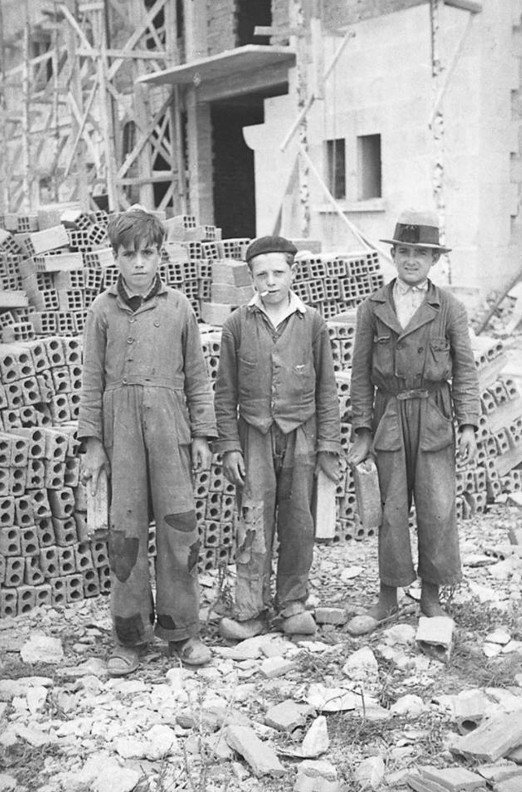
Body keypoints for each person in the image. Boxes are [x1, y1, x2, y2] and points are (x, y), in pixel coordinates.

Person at [78, 207, 217, 675]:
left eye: (148, 253)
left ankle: (182, 631)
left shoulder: (179, 308)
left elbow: (197, 377)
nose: (140, 263)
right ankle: (130, 636)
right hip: (122, 439)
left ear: (161, 256)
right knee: (126, 536)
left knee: (180, 530)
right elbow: (91, 381)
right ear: (114, 257)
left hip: (171, 433)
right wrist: (93, 443)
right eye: (129, 254)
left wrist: (202, 433)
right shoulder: (101, 310)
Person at [347, 209, 480, 620]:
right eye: (403, 250)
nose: (410, 260)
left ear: (434, 259)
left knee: (437, 507)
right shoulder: (373, 307)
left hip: (434, 415)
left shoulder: (449, 308)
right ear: (394, 255)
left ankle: (431, 595)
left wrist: (469, 424)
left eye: (420, 253)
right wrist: (362, 429)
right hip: (389, 412)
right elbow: (359, 372)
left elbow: (466, 369)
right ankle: (388, 595)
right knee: (391, 507)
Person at [214, 235, 341, 641]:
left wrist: (327, 446)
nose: (270, 282)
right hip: (254, 436)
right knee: (253, 520)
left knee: (298, 521)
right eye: (261, 274)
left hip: (301, 435)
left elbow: (326, 390)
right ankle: (250, 609)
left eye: (278, 273)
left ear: (293, 273)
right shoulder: (237, 324)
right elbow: (224, 393)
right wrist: (230, 446)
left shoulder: (313, 322)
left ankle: (292, 603)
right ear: (250, 276)